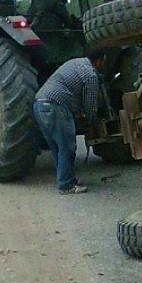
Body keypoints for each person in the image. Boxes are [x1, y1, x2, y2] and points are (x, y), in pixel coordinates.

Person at [33, 49, 106, 194]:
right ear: (99, 61)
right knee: (67, 147)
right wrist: (91, 121)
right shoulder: (90, 74)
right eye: (104, 61)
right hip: (56, 106)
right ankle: (66, 185)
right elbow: (90, 104)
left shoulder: (75, 62)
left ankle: (66, 178)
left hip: (39, 106)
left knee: (57, 147)